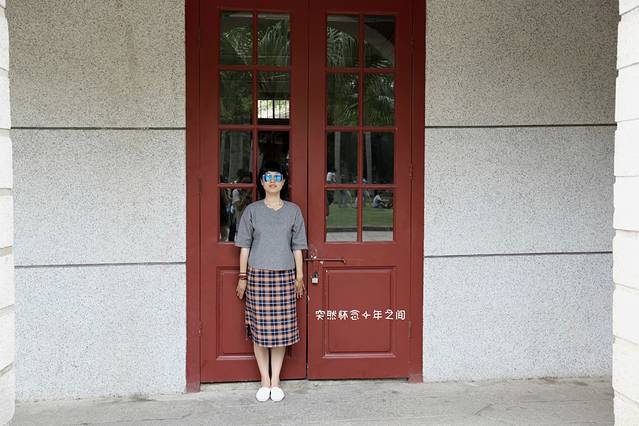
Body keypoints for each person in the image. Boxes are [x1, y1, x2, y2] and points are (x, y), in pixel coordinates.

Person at [233, 160, 308, 403]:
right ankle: (264, 380)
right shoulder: (252, 211)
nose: (273, 181)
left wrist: (299, 276)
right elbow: (244, 246)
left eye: (277, 177)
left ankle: (276, 381)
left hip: (285, 276)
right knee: (260, 331)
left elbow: (298, 247)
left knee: (280, 332)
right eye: (268, 177)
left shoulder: (293, 211)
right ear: (262, 182)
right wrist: (242, 277)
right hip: (258, 276)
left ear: (283, 182)